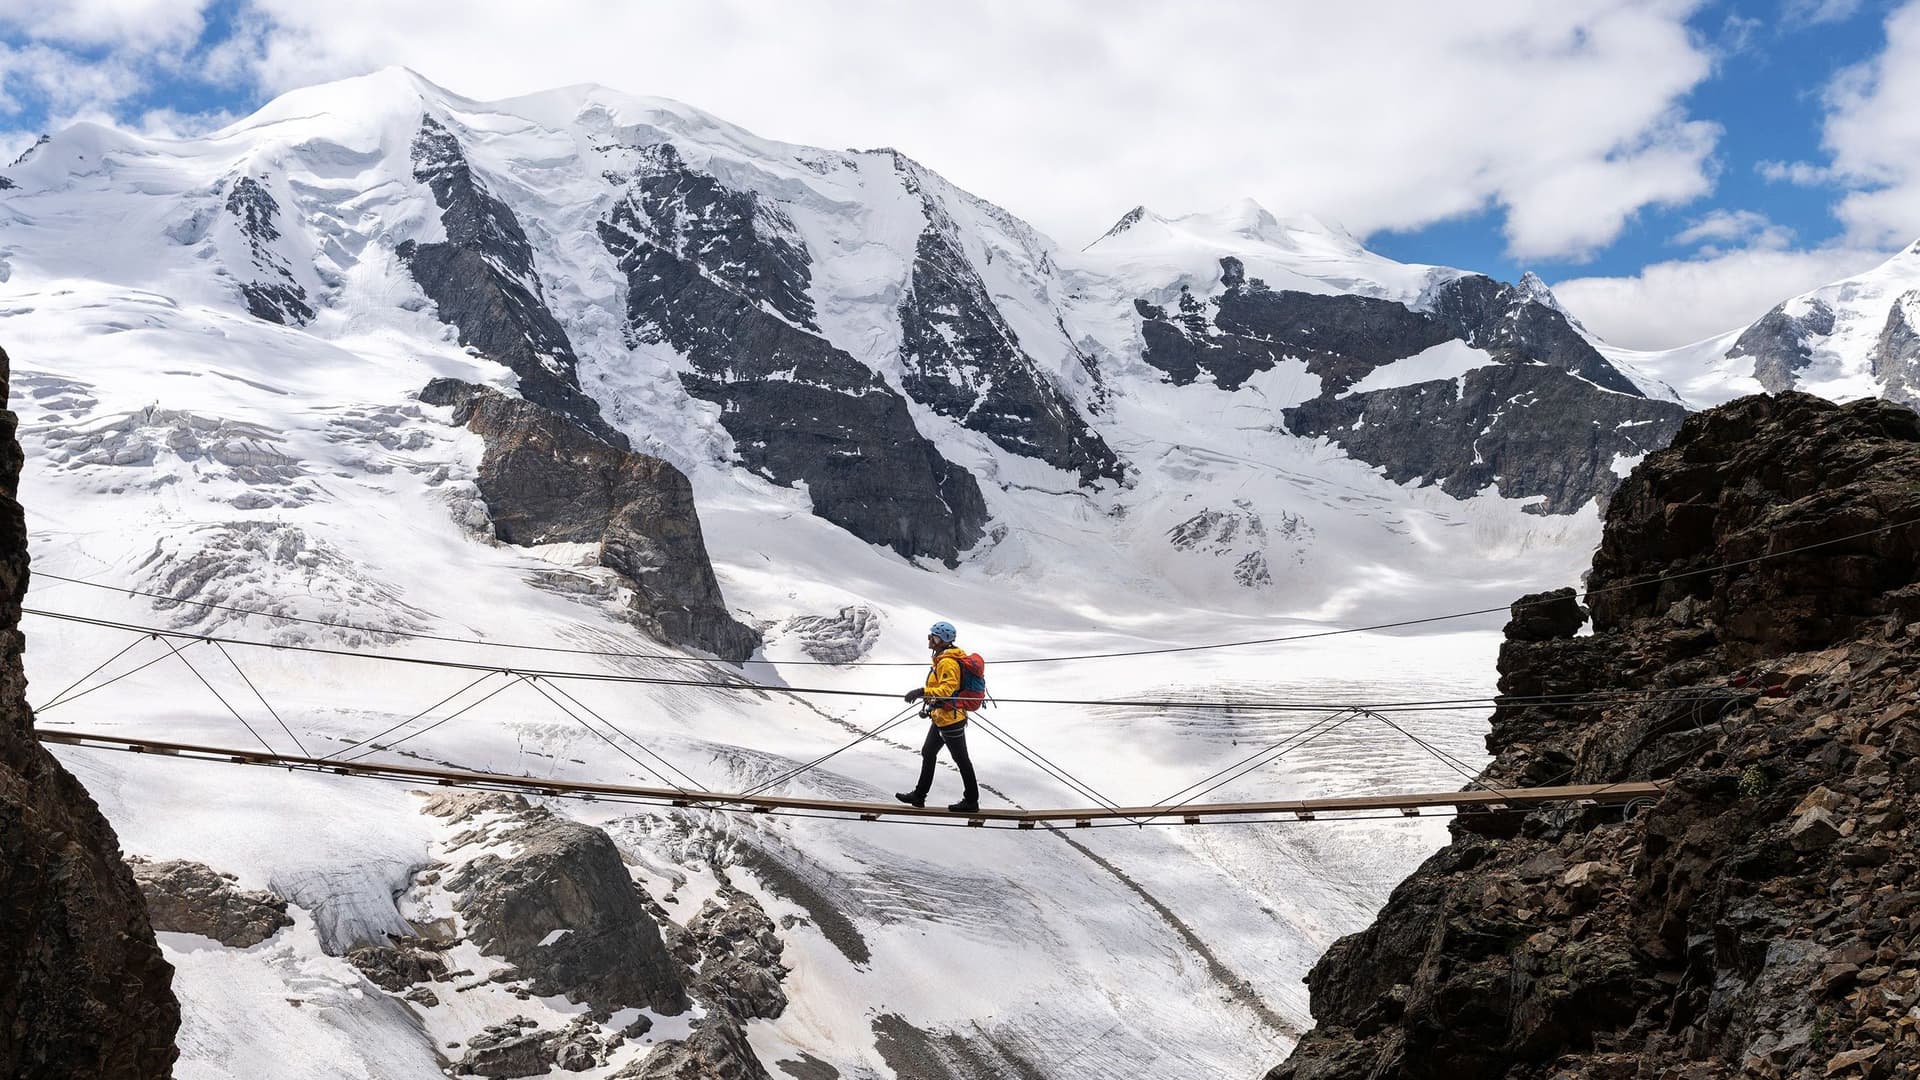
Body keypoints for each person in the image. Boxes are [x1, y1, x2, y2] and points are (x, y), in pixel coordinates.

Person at [895, 620, 980, 814]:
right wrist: (925, 696)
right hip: (941, 716)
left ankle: (971, 801)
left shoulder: (948, 662)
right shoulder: (942, 658)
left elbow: (947, 689)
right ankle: (919, 796)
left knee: (961, 759)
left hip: (951, 719)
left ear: (942, 640)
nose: (929, 639)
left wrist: (920, 691)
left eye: (932, 636)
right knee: (928, 752)